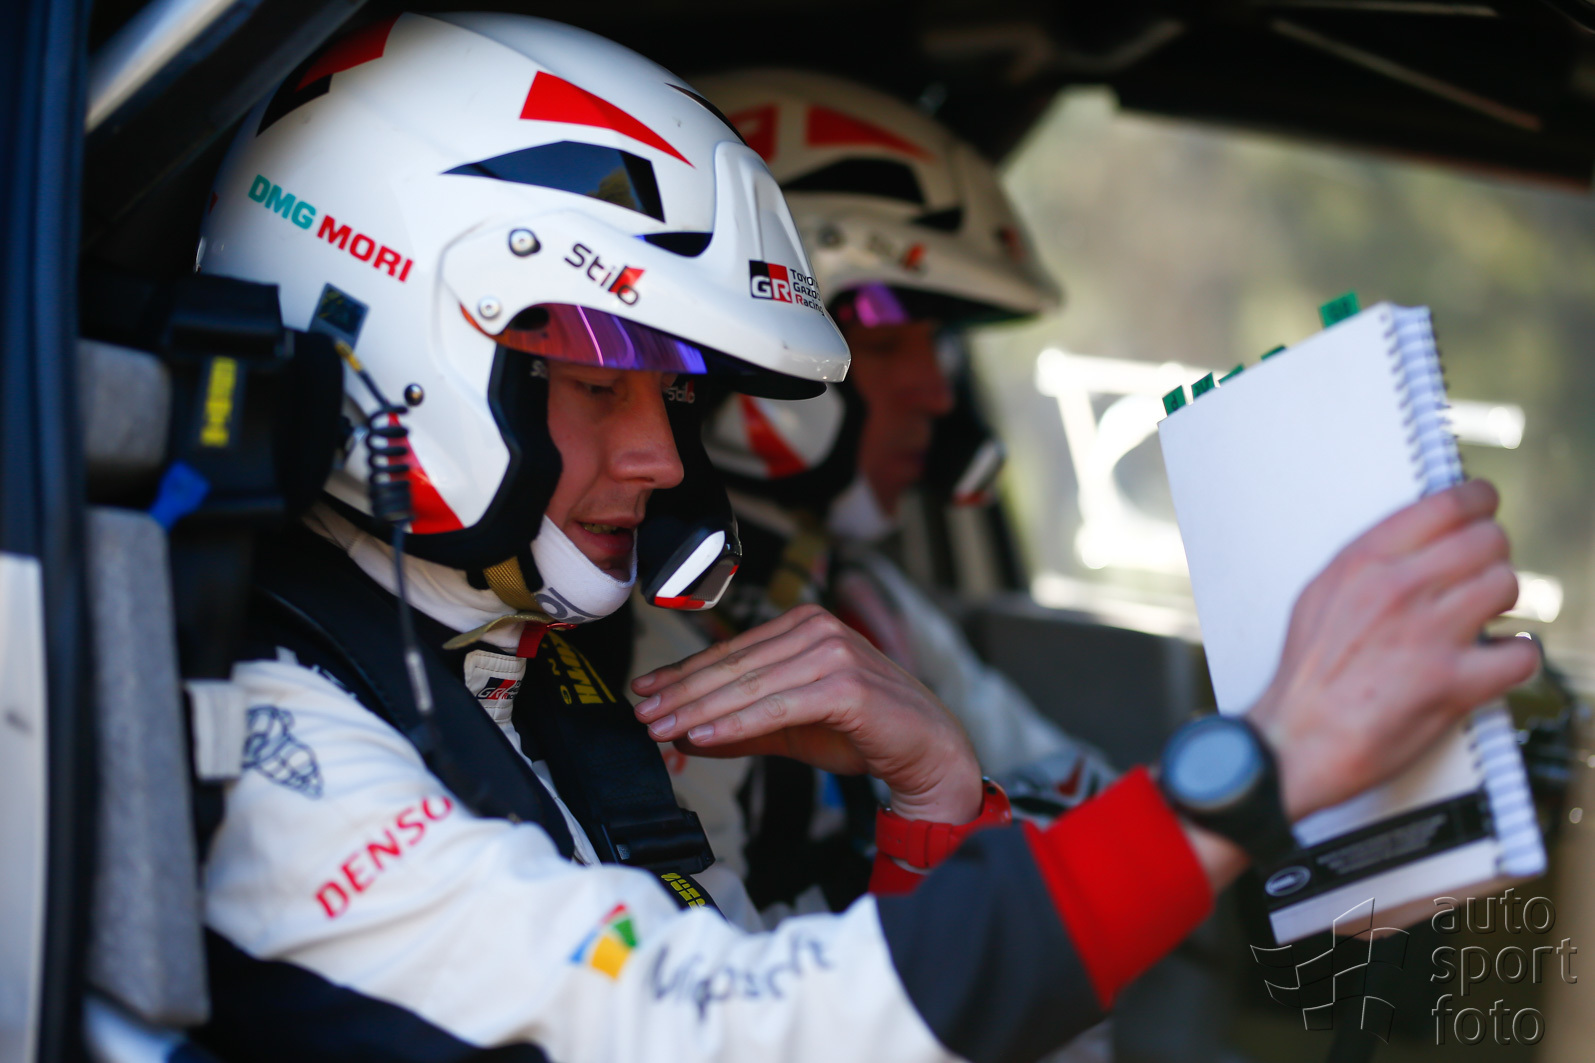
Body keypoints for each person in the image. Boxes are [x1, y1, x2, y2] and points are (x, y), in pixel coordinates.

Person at [190, 12, 1537, 1062]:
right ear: (392, 359)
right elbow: (716, 1025)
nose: (661, 458)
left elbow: (811, 1002)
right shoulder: (270, 738)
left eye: (673, 397)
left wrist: (936, 803)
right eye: (599, 385)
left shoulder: (549, 678)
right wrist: (1245, 773)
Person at [627, 71, 1116, 923]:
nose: (936, 392)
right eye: (888, 344)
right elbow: (721, 977)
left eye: (937, 346)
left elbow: (1085, 795)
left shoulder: (859, 593)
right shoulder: (646, 634)